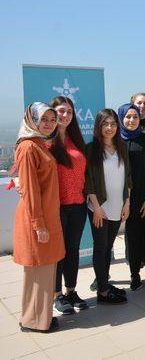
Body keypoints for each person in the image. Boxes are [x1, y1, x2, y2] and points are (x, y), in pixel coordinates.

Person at [12, 102, 65, 332]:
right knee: (37, 271)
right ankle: (34, 322)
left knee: (45, 270)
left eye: (52, 120)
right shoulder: (28, 148)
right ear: (32, 120)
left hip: (46, 217)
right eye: (44, 119)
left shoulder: (39, 144)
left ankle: (39, 317)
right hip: (37, 220)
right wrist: (38, 224)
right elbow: (31, 190)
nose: (49, 124)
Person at [47, 96, 88, 314]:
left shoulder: (76, 140)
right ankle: (56, 295)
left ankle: (71, 290)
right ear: (52, 113)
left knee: (73, 250)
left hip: (78, 205)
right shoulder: (46, 142)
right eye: (61, 111)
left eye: (69, 112)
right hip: (57, 207)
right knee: (58, 252)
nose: (65, 115)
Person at [86, 109, 131, 304]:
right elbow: (89, 181)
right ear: (98, 126)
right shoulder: (91, 149)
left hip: (118, 205)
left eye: (113, 124)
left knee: (108, 247)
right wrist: (96, 207)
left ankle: (104, 284)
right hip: (100, 207)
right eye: (105, 124)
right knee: (100, 247)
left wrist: (127, 203)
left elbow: (128, 177)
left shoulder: (122, 147)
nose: (109, 128)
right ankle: (103, 292)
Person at [118, 104, 145, 291]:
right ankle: (102, 278)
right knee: (107, 239)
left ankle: (135, 274)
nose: (131, 120)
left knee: (135, 235)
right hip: (116, 197)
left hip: (140, 196)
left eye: (134, 117)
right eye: (127, 117)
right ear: (121, 118)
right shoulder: (115, 140)